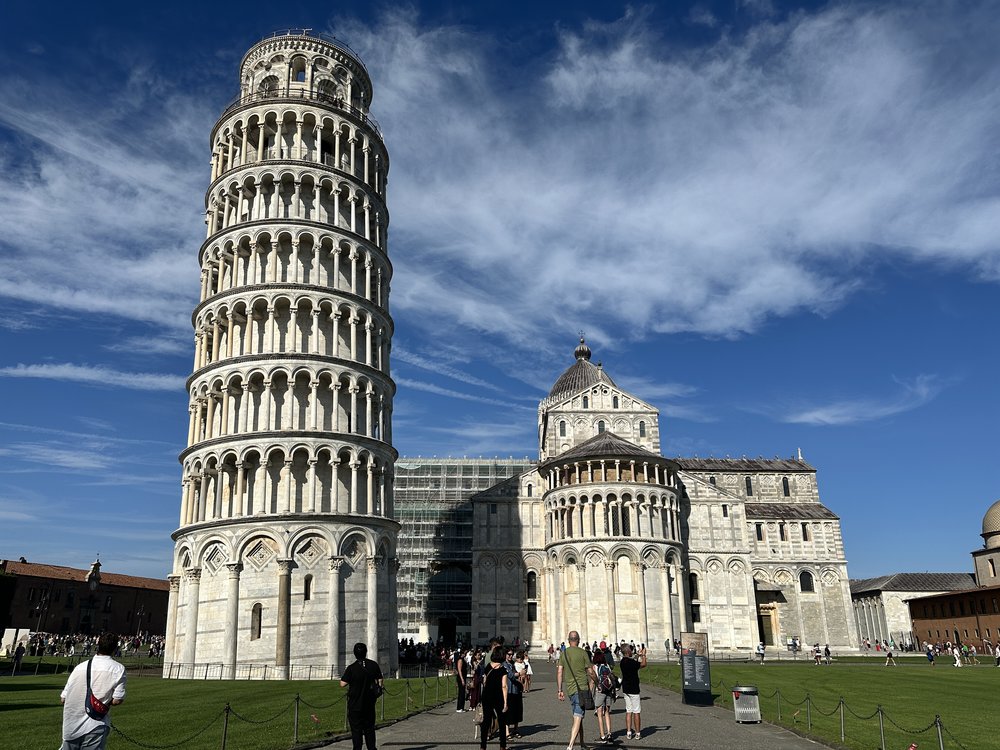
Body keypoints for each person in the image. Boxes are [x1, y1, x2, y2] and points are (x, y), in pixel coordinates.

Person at [58, 632, 126, 750]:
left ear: (97, 645)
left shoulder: (80, 666)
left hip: (71, 724)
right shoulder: (118, 669)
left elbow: (63, 698)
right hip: (95, 724)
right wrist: (102, 703)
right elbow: (117, 700)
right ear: (116, 648)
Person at [557, 630, 597, 750]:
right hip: (582, 689)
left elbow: (559, 672)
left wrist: (559, 690)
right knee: (578, 717)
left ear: (569, 641)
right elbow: (590, 672)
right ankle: (570, 746)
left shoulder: (563, 653)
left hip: (570, 690)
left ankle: (582, 743)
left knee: (578, 717)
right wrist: (597, 682)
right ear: (578, 640)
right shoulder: (583, 652)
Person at [340, 642, 384, 750]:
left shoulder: (351, 668)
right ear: (366, 652)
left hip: (355, 704)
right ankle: (371, 748)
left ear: (354, 653)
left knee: (356, 730)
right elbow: (380, 679)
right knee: (369, 729)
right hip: (369, 703)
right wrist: (378, 688)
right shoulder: (373, 665)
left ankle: (357, 748)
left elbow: (342, 684)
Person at [479, 646, 509, 750]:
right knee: (502, 721)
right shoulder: (503, 670)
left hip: (487, 695)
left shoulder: (488, 666)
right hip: (498, 696)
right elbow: (504, 686)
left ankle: (483, 746)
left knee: (486, 721)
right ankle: (502, 746)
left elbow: (485, 681)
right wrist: (505, 702)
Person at [619, 643, 647, 740]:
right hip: (634, 689)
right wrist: (643, 655)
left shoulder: (623, 662)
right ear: (627, 651)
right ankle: (638, 733)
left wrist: (637, 656)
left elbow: (632, 662)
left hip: (626, 689)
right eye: (630, 650)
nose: (632, 651)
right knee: (636, 711)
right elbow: (643, 664)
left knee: (628, 711)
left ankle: (629, 732)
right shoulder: (631, 663)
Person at [592, 649, 615, 743]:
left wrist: (590, 692)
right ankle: (609, 734)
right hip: (608, 691)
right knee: (607, 712)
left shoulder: (595, 667)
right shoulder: (607, 666)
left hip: (600, 691)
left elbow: (593, 681)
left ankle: (602, 736)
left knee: (599, 713)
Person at [503, 648, 525, 740]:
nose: (510, 656)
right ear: (505, 654)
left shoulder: (512, 664)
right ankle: (507, 732)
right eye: (509, 654)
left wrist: (520, 675)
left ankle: (516, 729)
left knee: (517, 710)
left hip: (515, 689)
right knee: (508, 712)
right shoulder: (504, 664)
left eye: (512, 654)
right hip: (508, 690)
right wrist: (520, 673)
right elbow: (511, 675)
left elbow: (515, 673)